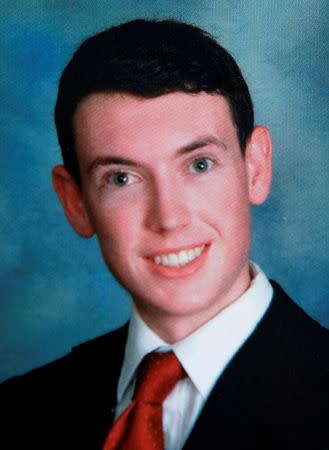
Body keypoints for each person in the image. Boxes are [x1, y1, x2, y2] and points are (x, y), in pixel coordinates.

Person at [1, 19, 328, 450]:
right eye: (121, 178)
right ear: (76, 202)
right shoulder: (18, 413)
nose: (169, 218)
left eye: (199, 165)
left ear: (256, 167)